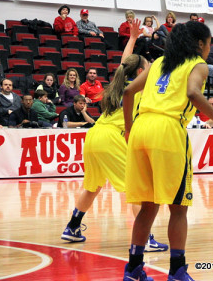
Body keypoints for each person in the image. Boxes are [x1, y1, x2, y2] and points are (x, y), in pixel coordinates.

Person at [121, 20, 213, 281]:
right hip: (168, 131)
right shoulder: (198, 64)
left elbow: (127, 92)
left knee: (147, 207)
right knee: (178, 207)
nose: (209, 48)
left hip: (140, 129)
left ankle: (134, 270)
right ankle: (177, 271)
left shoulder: (158, 62)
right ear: (200, 44)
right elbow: (193, 94)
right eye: (209, 43)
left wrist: (128, 131)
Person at [61, 19, 168, 254]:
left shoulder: (118, 82)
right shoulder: (141, 88)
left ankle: (73, 227)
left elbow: (124, 63)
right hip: (110, 138)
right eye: (147, 65)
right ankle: (145, 239)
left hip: (94, 135)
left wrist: (132, 38)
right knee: (137, 189)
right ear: (141, 72)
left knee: (92, 186)